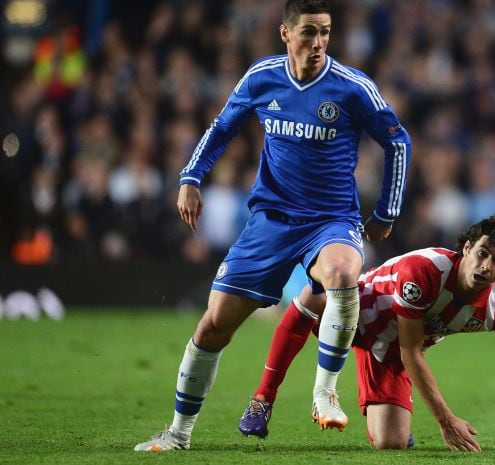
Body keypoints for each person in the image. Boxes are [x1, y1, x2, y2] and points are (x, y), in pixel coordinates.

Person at [134, 0, 411, 452]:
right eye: (308, 32)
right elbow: (222, 127)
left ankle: (324, 393)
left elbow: (397, 140)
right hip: (271, 220)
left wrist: (386, 212)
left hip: (331, 220)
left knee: (342, 276)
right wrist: (190, 177)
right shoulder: (262, 78)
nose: (318, 42)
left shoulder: (352, 87)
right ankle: (178, 434)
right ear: (286, 34)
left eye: (325, 32)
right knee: (213, 326)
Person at [239, 213, 495, 453]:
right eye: (482, 252)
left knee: (390, 444)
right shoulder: (425, 271)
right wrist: (446, 420)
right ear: (467, 248)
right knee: (319, 293)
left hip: (387, 349)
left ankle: (390, 419)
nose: (486, 265)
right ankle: (262, 398)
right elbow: (412, 350)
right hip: (355, 313)